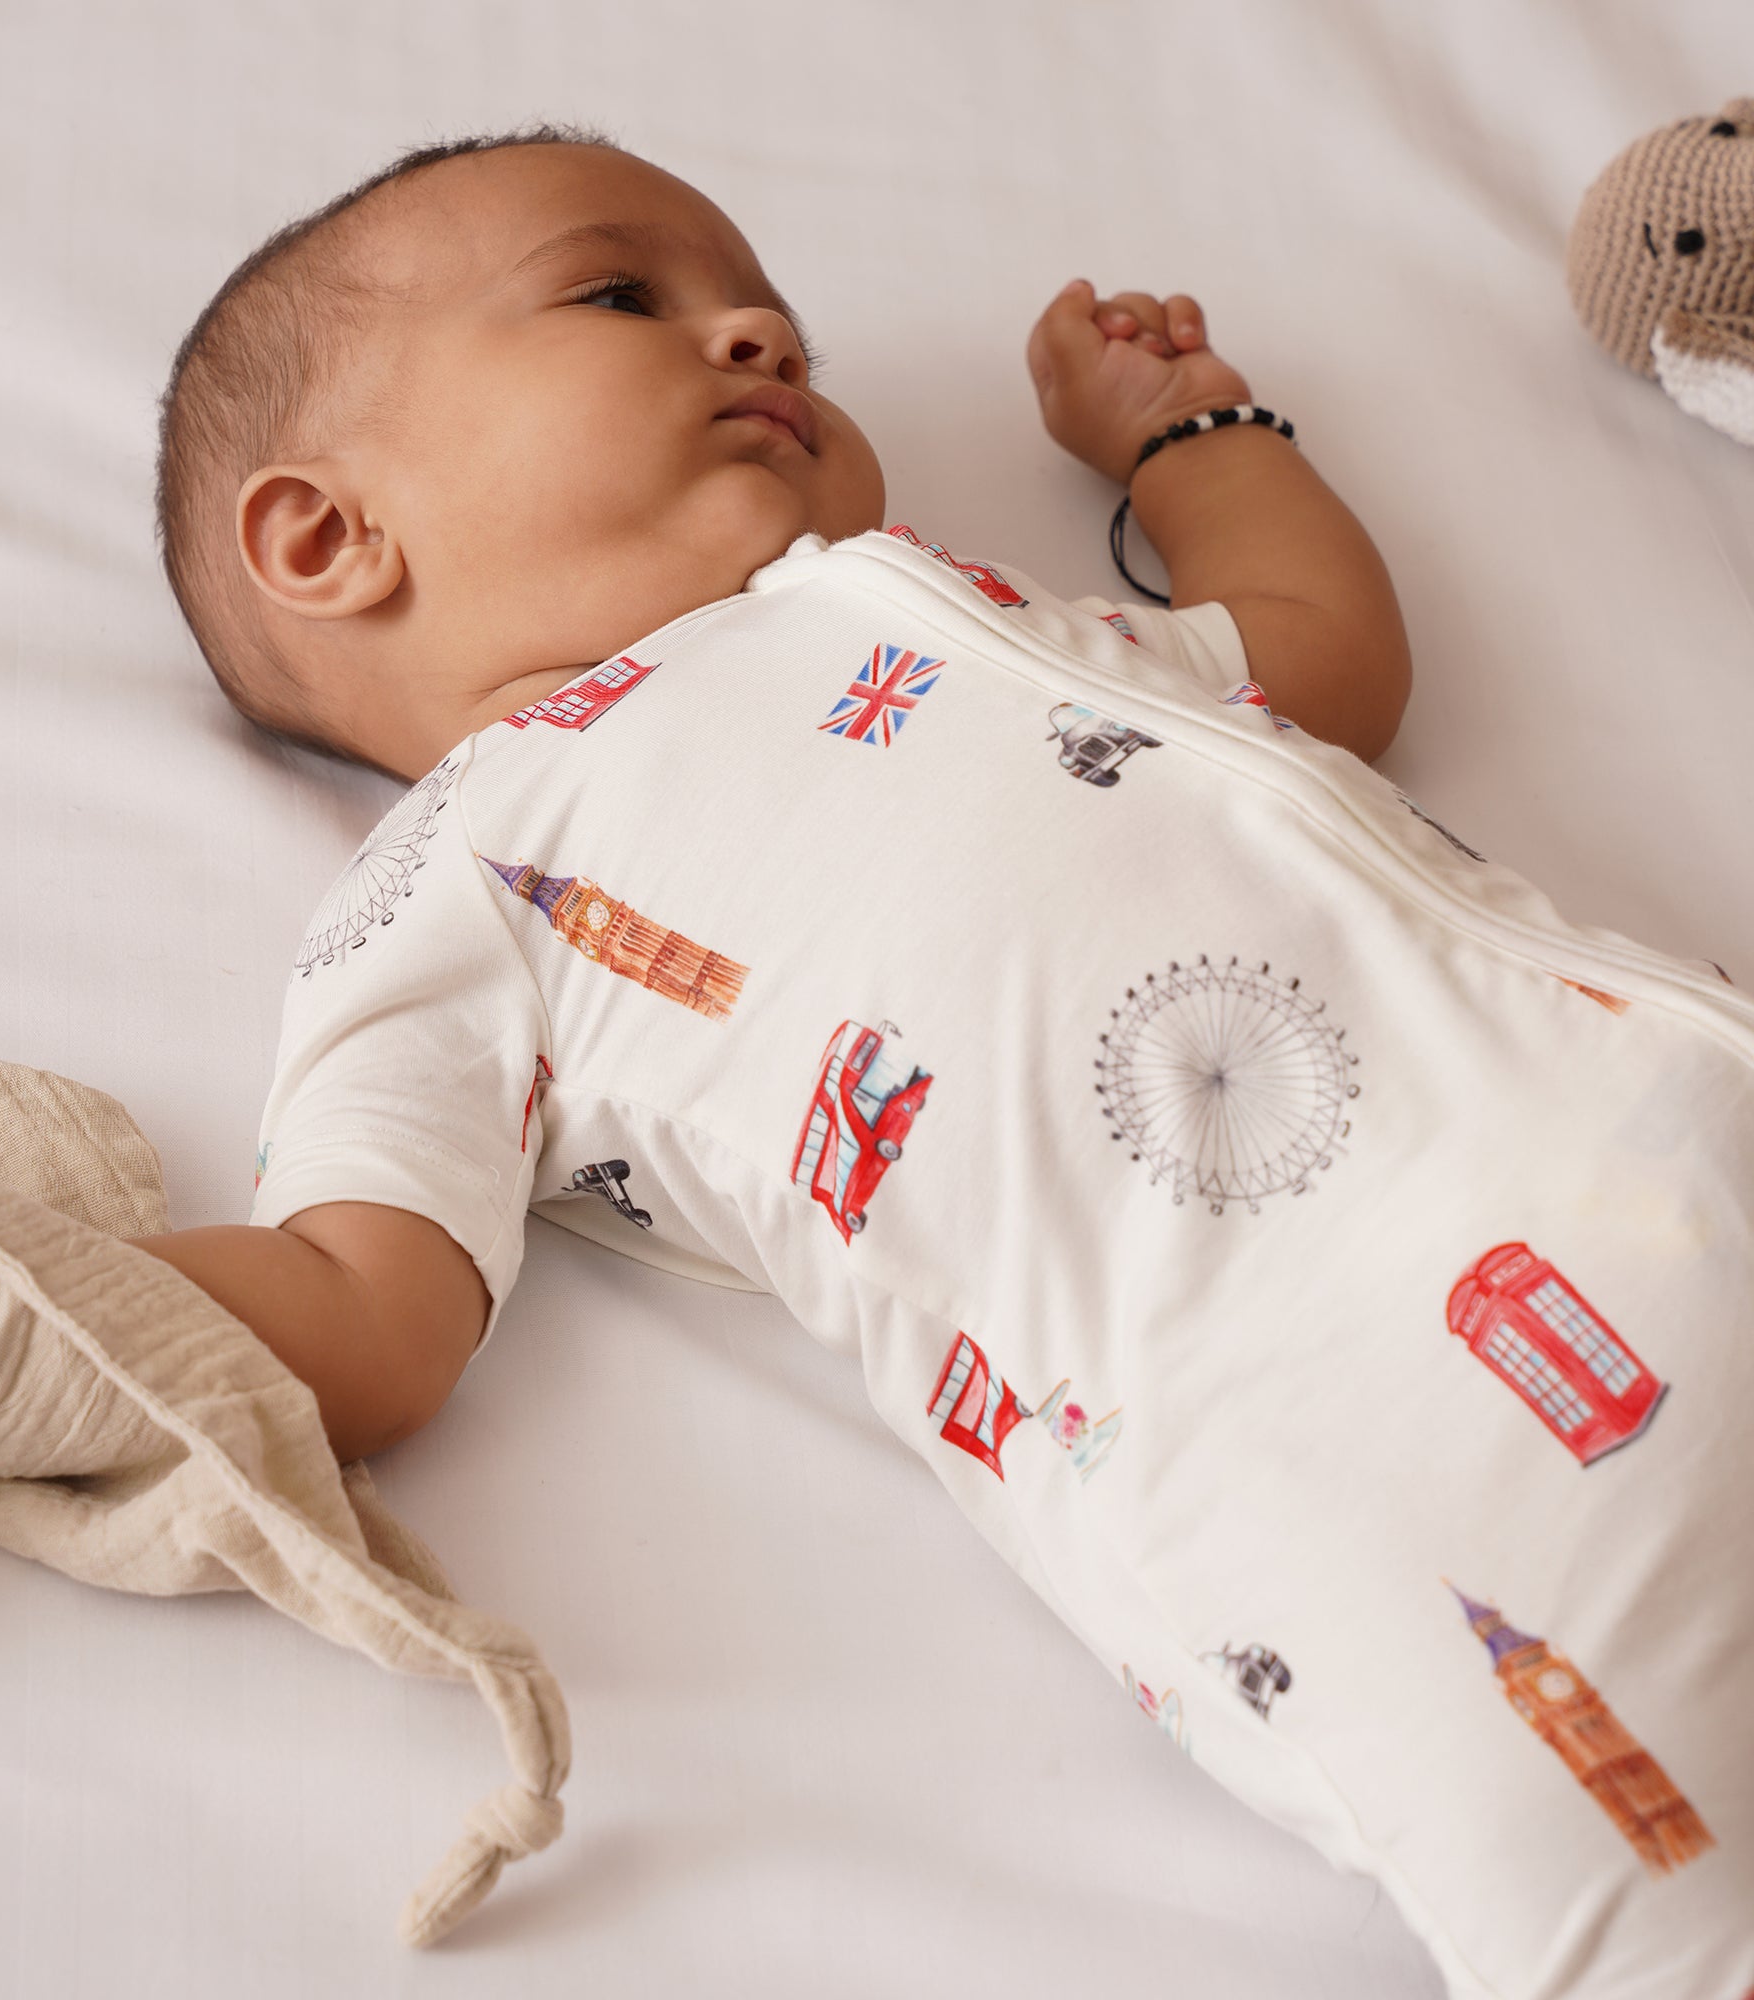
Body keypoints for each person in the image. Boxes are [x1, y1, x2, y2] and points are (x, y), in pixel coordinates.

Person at [131, 126, 1753, 1994]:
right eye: (617, 293)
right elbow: (360, 1302)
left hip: (1662, 1111)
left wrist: (1191, 438)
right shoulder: (456, 873)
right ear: (327, 536)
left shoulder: (982, 628)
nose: (753, 331)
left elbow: (1326, 660)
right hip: (1354, 1457)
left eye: (779, 323)